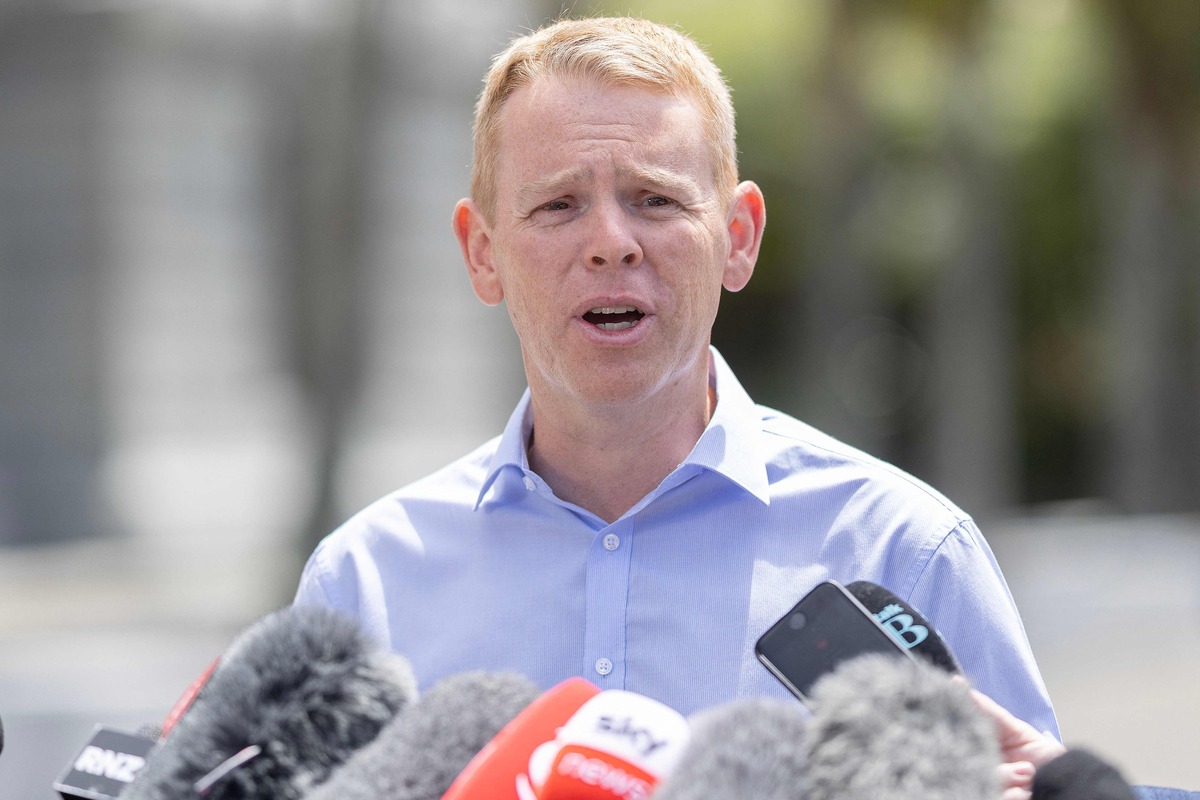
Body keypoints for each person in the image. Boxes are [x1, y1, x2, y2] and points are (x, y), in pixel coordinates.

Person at [293, 15, 1058, 734]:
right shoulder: (364, 587)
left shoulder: (904, 557)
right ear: (482, 252)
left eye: (654, 200)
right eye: (559, 205)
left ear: (737, 238)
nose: (610, 243)